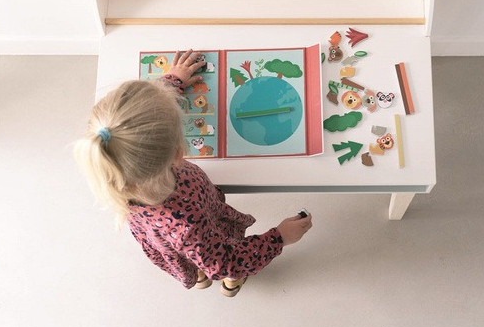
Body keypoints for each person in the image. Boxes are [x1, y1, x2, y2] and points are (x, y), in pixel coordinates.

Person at [74, 49, 313, 297]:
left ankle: (198, 275)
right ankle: (231, 283)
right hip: (207, 235)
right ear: (178, 154)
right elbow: (227, 261)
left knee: (191, 258)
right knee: (213, 263)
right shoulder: (187, 225)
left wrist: (172, 81)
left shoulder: (114, 164)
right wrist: (279, 238)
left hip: (174, 240)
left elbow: (140, 120)